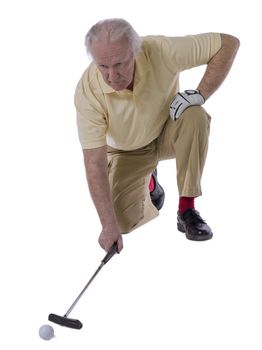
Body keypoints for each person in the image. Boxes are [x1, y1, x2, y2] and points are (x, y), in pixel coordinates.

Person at [75, 18, 239, 253]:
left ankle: (187, 209)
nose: (112, 76)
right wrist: (107, 226)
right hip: (126, 151)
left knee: (194, 114)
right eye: (103, 66)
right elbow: (94, 162)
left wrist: (201, 94)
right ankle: (150, 181)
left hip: (165, 132)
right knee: (121, 222)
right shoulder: (87, 91)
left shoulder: (161, 50)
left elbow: (228, 44)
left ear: (135, 50)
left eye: (120, 64)